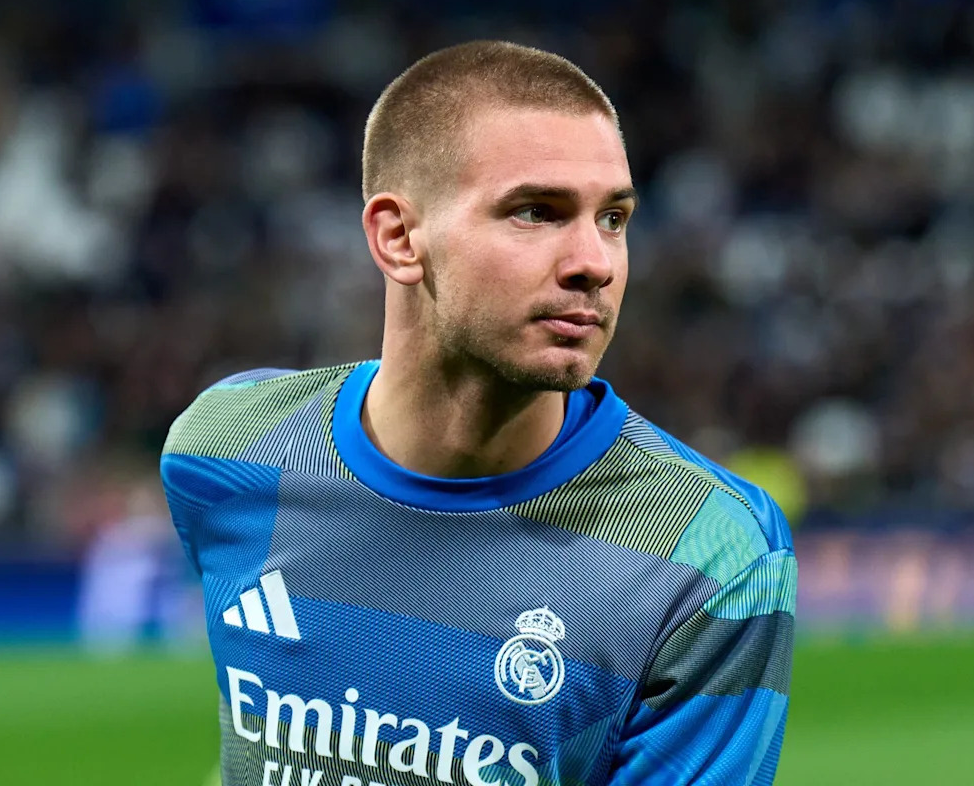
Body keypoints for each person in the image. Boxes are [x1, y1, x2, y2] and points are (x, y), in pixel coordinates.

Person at [161, 40, 796, 786]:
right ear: (399, 238)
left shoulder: (707, 555)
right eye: (536, 212)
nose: (594, 262)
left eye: (613, 217)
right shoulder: (228, 447)